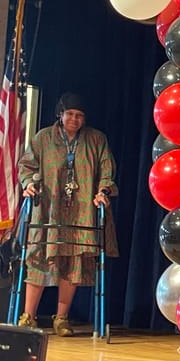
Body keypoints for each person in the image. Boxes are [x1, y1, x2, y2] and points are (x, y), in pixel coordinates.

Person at [16, 92, 119, 337]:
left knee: (73, 262)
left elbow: (106, 168)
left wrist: (103, 191)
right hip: (48, 210)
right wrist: (29, 183)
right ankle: (28, 317)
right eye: (70, 114)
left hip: (81, 210)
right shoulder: (43, 138)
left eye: (79, 115)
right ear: (60, 115)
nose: (74, 119)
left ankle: (61, 318)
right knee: (39, 259)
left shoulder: (96, 139)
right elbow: (26, 166)